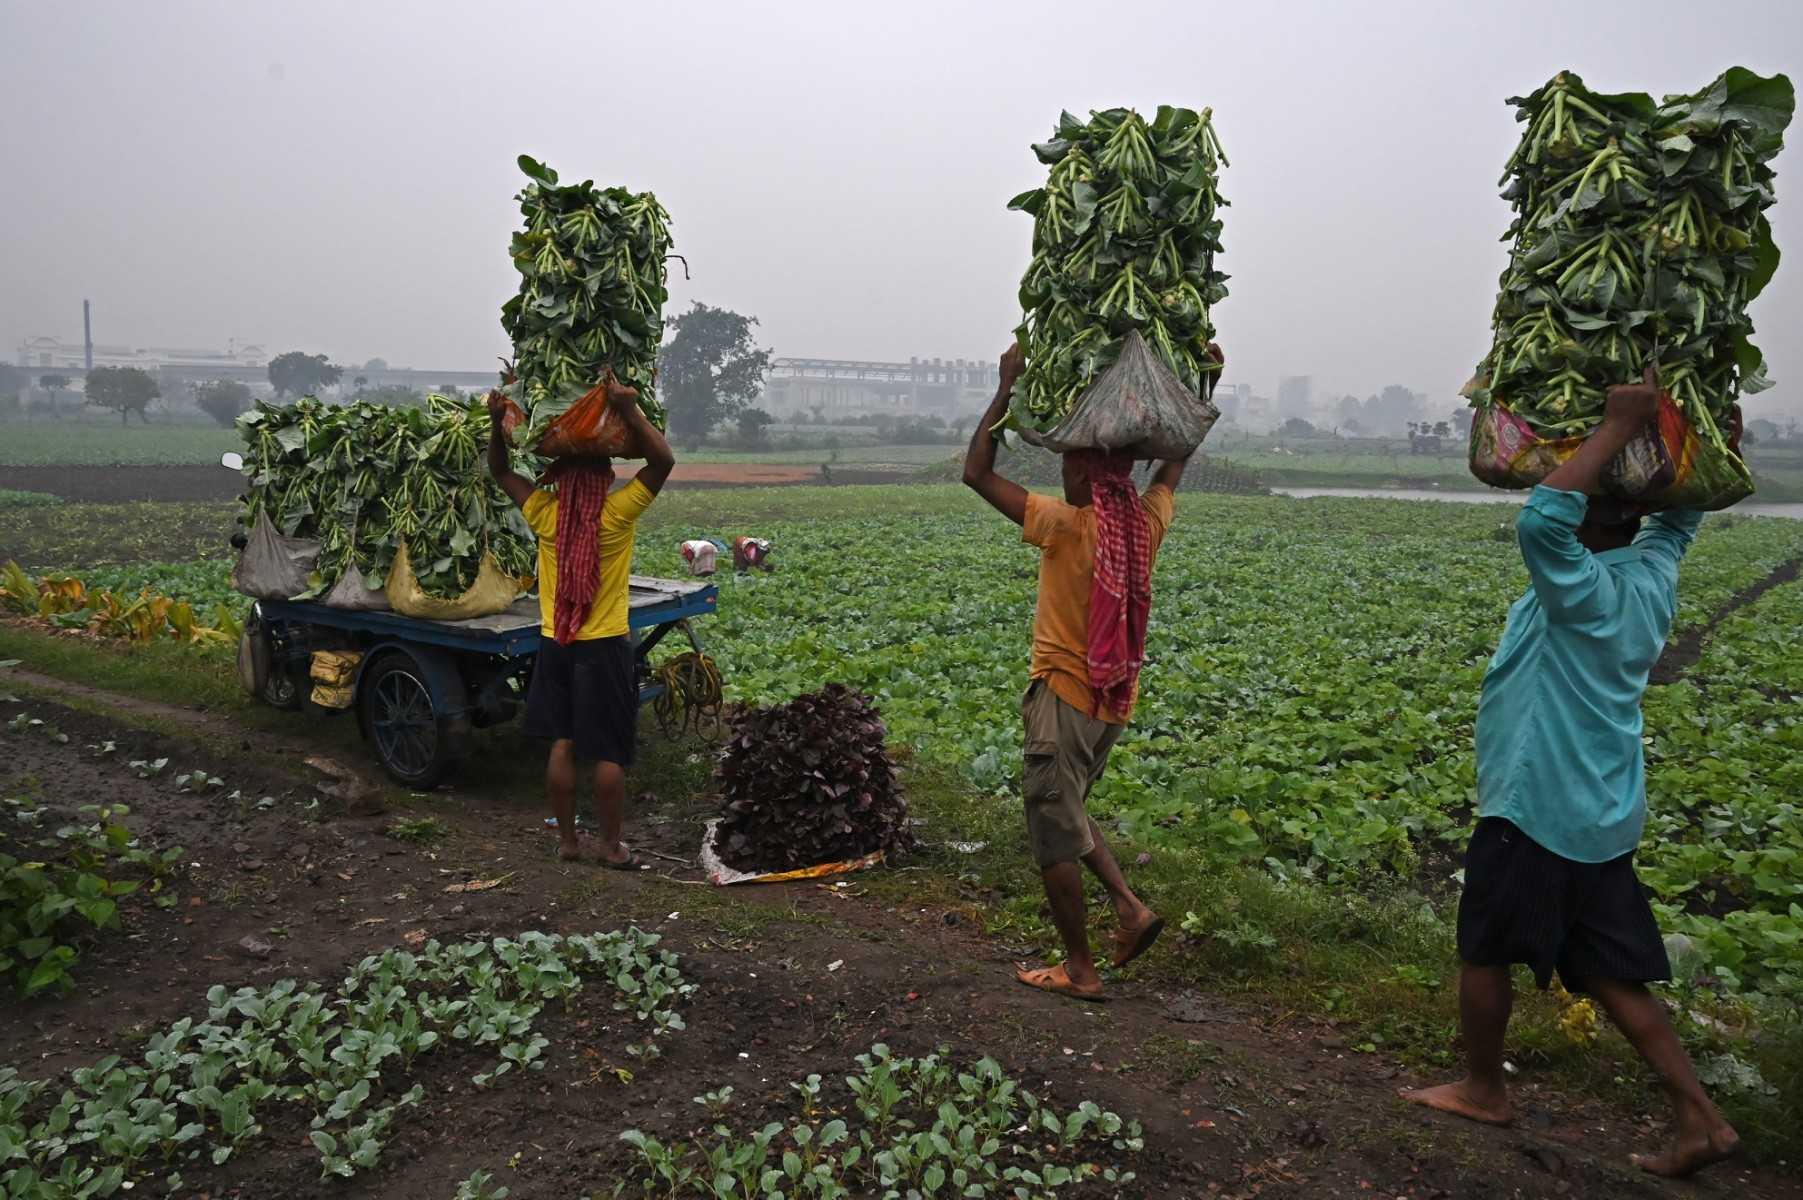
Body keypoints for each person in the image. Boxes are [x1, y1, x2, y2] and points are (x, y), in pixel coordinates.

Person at [1405, 368, 1738, 1179]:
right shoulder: (1648, 577)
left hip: (1537, 806)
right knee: (1605, 969)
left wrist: (1618, 429)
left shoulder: (1580, 588)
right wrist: (1691, 421)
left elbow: (1541, 521)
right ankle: (1700, 1117)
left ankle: (1485, 1087)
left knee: (1483, 949)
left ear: (1590, 518)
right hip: (1602, 808)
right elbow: (1678, 522)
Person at [962, 339, 1221, 1001]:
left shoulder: (1065, 525)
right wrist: (1205, 384)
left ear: (1085, 473)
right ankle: (1130, 910)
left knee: (1052, 833)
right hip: (1110, 703)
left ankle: (1079, 968)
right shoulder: (1143, 522)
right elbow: (1173, 463)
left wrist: (1003, 387)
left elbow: (975, 474)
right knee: (1068, 808)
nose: (1062, 477)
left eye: (1070, 464)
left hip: (1064, 699)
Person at [486, 379, 675, 868]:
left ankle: (569, 842)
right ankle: (611, 847)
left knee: (563, 741)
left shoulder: (545, 513)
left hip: (557, 642)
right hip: (606, 644)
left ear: (562, 480)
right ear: (602, 479)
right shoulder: (614, 515)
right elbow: (662, 462)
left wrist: (494, 422)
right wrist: (628, 410)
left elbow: (501, 469)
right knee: (609, 747)